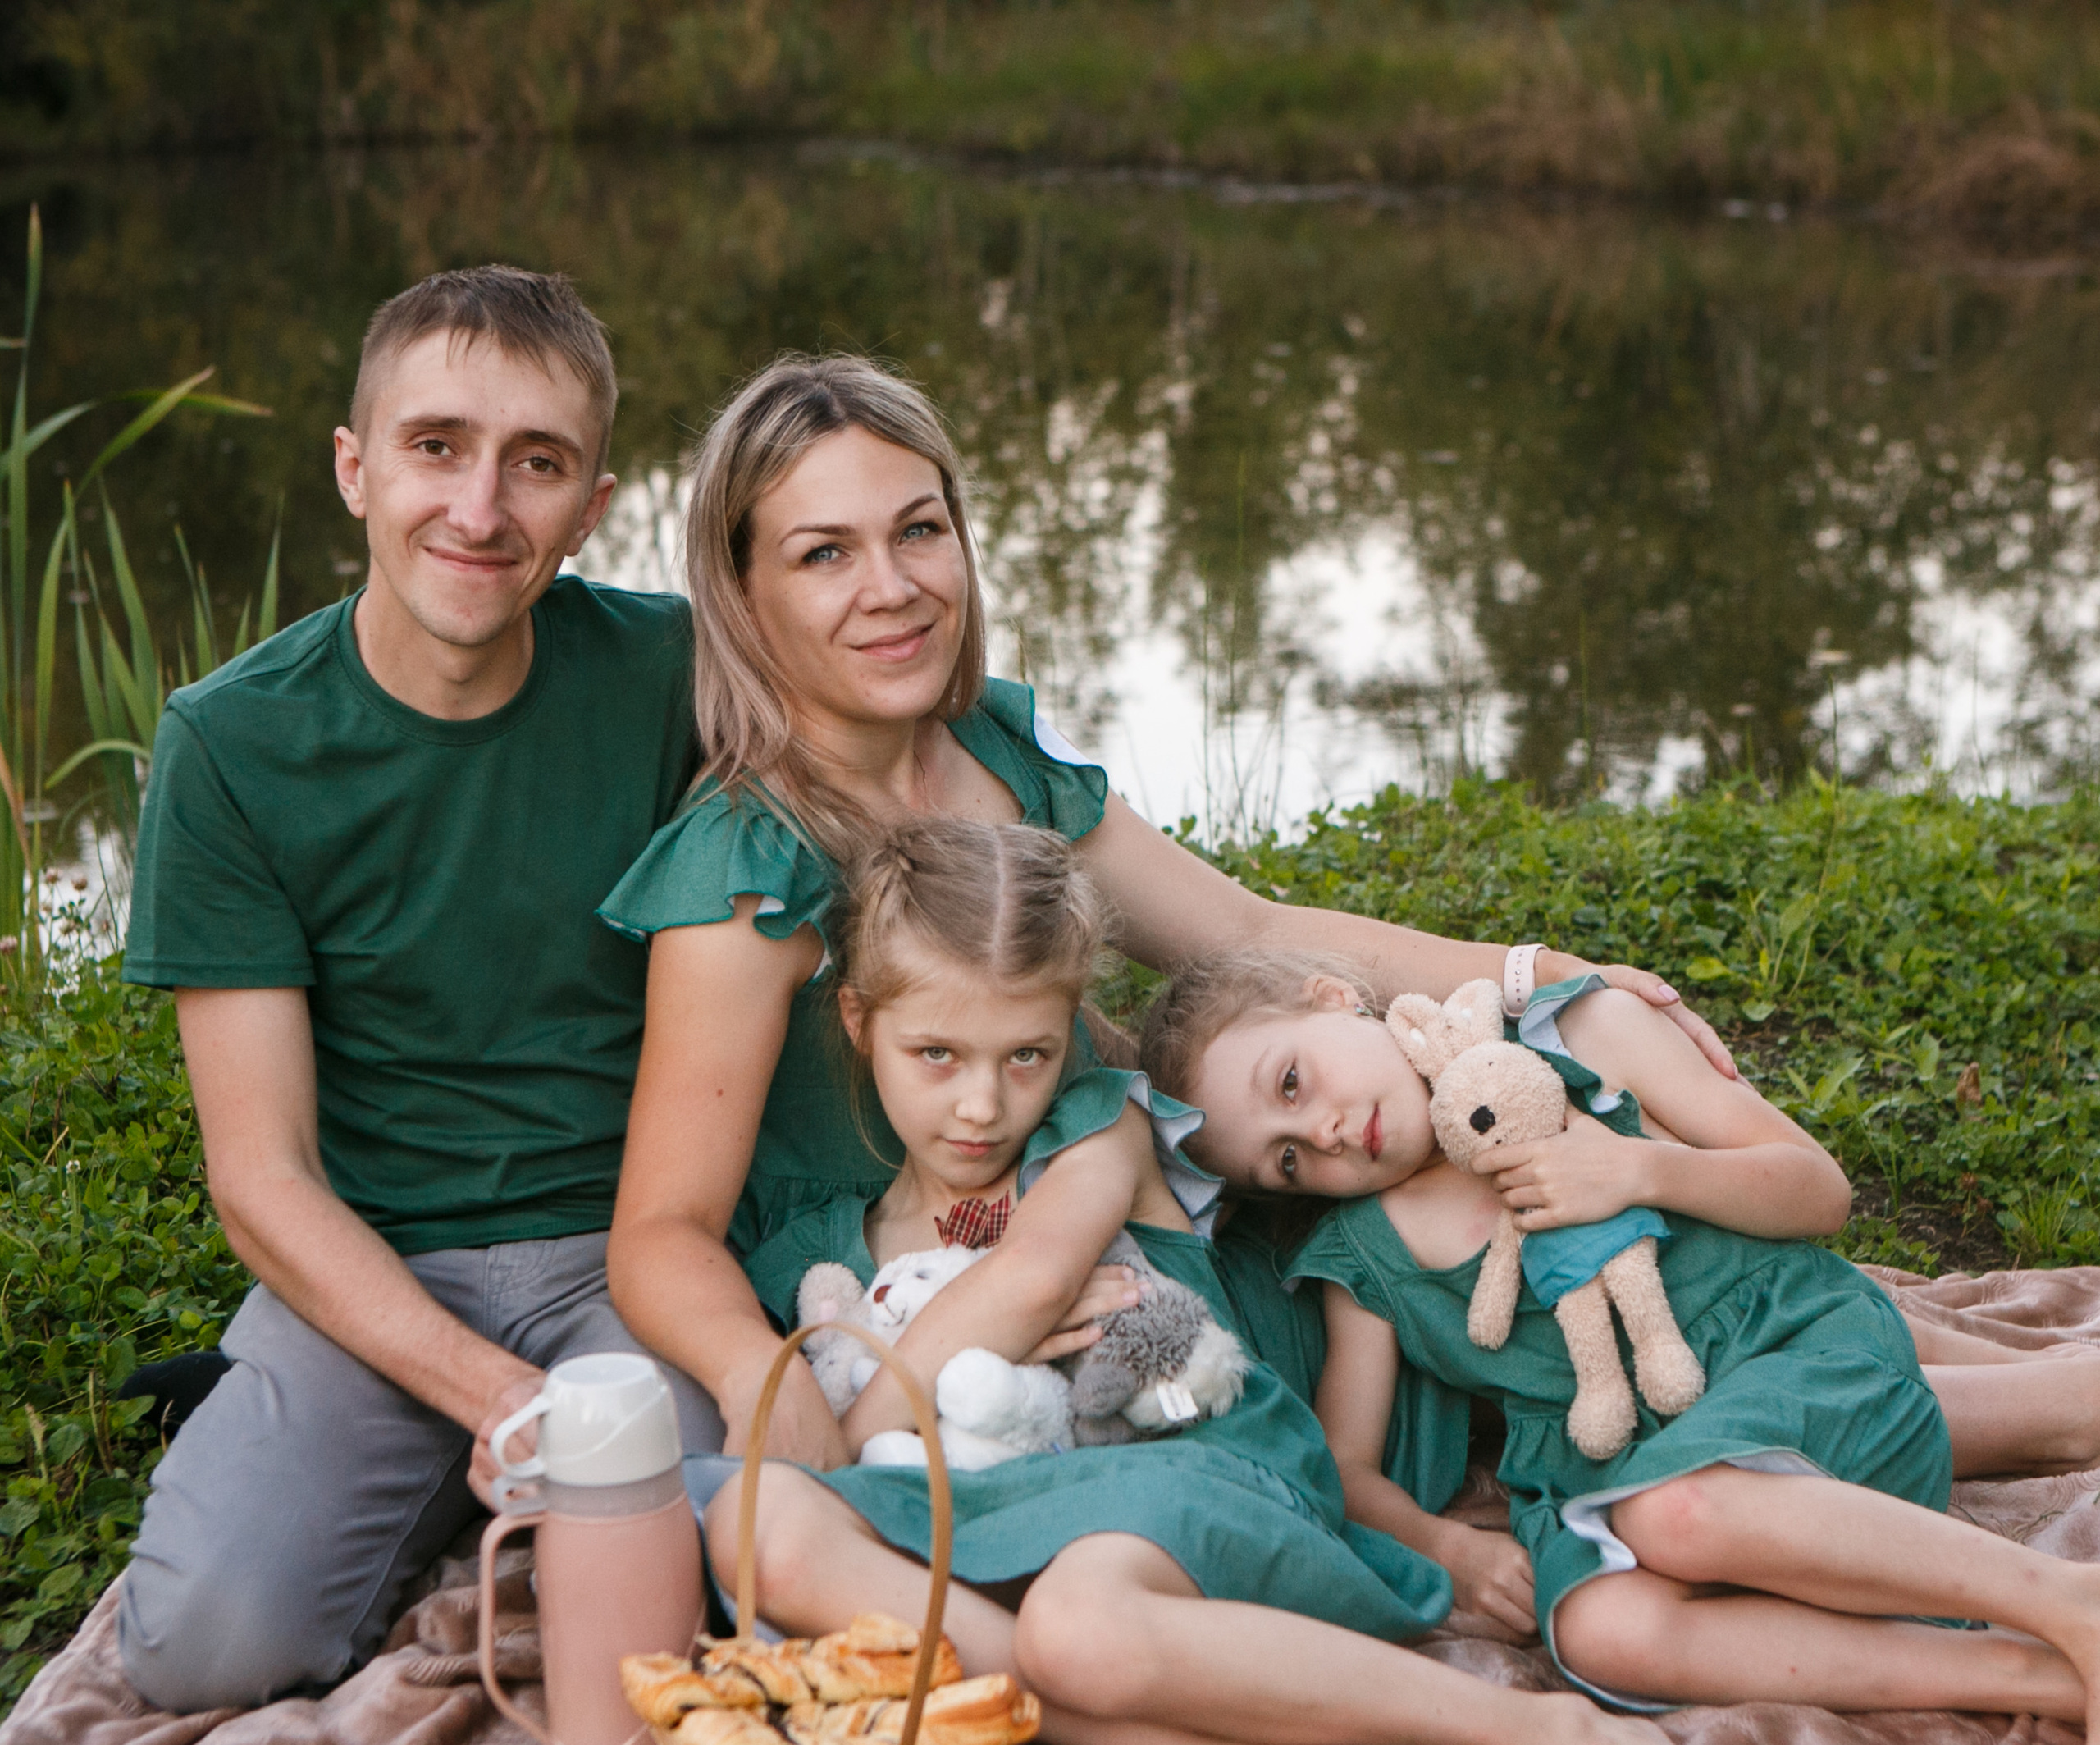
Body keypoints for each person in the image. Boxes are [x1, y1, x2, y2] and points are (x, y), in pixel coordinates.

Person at [600, 351, 1732, 1473]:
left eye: (919, 530)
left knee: (1547, 1081)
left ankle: (1732, 1344)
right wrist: (766, 1382)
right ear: (743, 594)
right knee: (1380, 1302)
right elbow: (661, 1231)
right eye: (824, 553)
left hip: (1124, 1221)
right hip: (922, 1281)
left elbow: (1241, 934)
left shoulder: (993, 746)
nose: (892, 586)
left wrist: (1539, 972)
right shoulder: (747, 862)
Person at [714, 815, 1722, 1745]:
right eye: (935, 1055)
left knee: (1076, 1626)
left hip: (1200, 1469)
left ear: (1065, 1037)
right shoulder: (817, 1247)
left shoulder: (1090, 1129)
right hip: (993, 1514)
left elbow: (1034, 1276)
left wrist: (846, 1445)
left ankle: (1552, 1739)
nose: (982, 1104)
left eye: (1027, 1055)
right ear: (858, 1020)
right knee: (754, 1525)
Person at [116, 267, 720, 1712]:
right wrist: (499, 1399)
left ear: (593, 504)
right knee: (203, 1652)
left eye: (538, 463)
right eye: (436, 446)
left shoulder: (677, 674)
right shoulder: (232, 745)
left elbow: (915, 762)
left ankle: (453, 1486)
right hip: (374, 1267)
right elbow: (260, 1175)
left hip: (637, 1256)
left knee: (724, 1584)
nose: (479, 508)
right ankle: (322, 1427)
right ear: (355, 468)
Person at [1141, 957, 2100, 1745]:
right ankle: (2030, 1673)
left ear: (1334, 998)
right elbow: (1346, 1467)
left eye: (1293, 1081)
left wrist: (1638, 1172)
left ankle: (2064, 1597)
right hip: (1613, 1455)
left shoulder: (1571, 1049)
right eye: (1287, 1160)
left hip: (1792, 1357)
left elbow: (1819, 1191)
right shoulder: (1365, 1261)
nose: (1324, 1134)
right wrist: (1449, 1547)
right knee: (1600, 1632)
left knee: (1675, 1513)